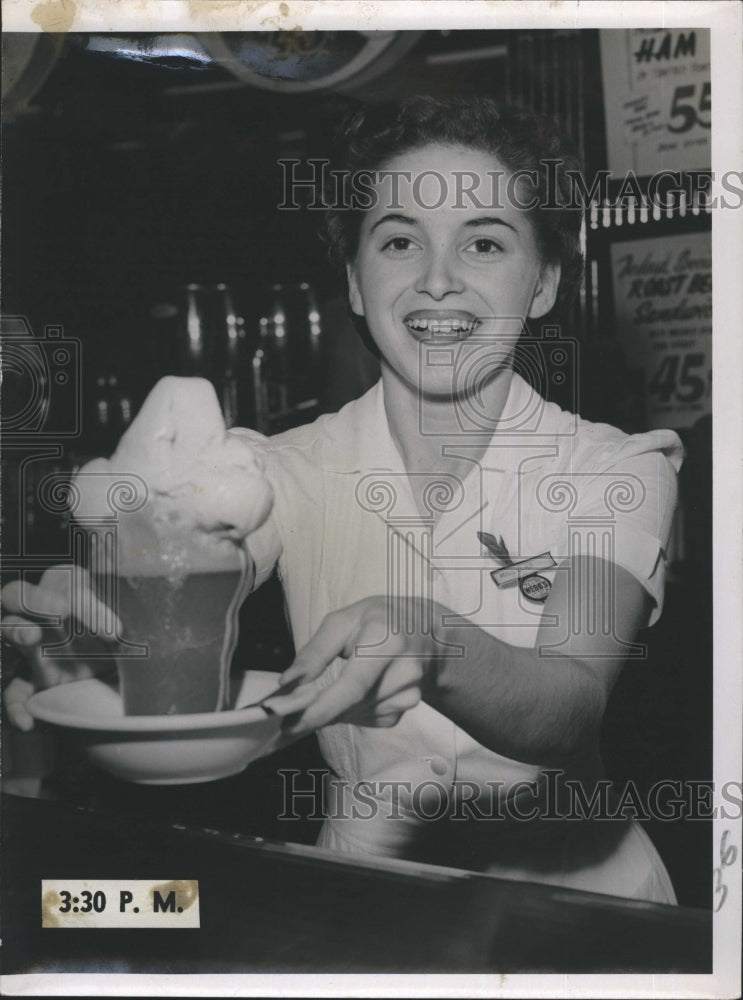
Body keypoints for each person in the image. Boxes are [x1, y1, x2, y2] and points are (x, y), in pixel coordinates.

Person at [2, 96, 682, 903]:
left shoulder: (619, 467)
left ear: (542, 284)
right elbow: (184, 568)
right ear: (356, 283)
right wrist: (100, 641)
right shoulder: (276, 469)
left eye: (485, 243)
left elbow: (568, 705)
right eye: (399, 241)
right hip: (364, 901)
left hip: (587, 912)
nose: (437, 279)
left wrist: (430, 640)